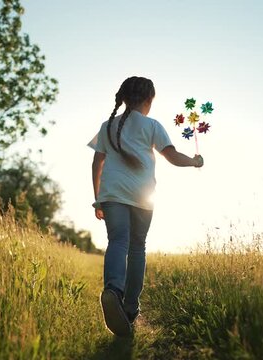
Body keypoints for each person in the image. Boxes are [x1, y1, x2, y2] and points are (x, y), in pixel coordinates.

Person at [88, 76, 203, 337]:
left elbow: (97, 164)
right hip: (142, 197)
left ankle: (113, 291)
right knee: (137, 247)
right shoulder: (152, 125)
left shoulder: (107, 126)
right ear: (149, 100)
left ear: (124, 98)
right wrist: (194, 162)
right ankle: (129, 308)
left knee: (117, 241)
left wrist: (98, 198)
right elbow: (172, 156)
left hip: (112, 195)